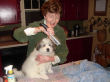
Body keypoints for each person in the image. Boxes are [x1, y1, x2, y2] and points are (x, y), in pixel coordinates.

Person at [13, 0, 68, 65]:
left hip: (51, 69)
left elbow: (63, 53)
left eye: (57, 17)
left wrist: (50, 59)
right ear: (45, 16)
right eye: (51, 16)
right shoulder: (35, 26)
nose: (54, 20)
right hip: (34, 68)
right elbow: (18, 35)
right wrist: (38, 29)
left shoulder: (60, 31)